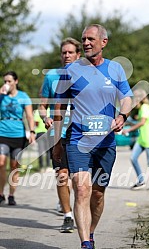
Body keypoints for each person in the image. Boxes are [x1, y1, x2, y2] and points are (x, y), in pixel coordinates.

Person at [53, 24, 132, 249]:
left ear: (103, 42)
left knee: (97, 194)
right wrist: (57, 142)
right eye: (83, 39)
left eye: (90, 39)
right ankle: (85, 243)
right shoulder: (70, 71)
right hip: (78, 140)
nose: (86, 43)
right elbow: (58, 109)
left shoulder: (115, 69)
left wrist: (123, 115)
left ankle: (91, 232)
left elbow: (126, 96)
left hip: (106, 142)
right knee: (82, 188)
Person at [39, 38, 81, 232]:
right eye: (64, 52)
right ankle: (67, 215)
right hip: (58, 132)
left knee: (79, 179)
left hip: (80, 132)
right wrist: (46, 118)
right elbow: (42, 107)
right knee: (62, 175)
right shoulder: (51, 76)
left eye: (70, 52)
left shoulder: (85, 75)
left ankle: (78, 209)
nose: (66, 56)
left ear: (78, 55)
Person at [0, 71, 35, 205]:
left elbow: (30, 116)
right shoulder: (1, 95)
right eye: (5, 81)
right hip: (2, 132)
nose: (7, 84)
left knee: (14, 165)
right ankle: (0, 193)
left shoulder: (23, 96)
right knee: (1, 162)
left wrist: (32, 132)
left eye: (9, 81)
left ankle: (11, 195)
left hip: (18, 134)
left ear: (16, 81)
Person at [122, 89, 149, 191]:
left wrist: (129, 129)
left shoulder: (145, 107)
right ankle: (141, 181)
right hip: (142, 139)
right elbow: (141, 121)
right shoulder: (142, 109)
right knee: (133, 158)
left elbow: (142, 122)